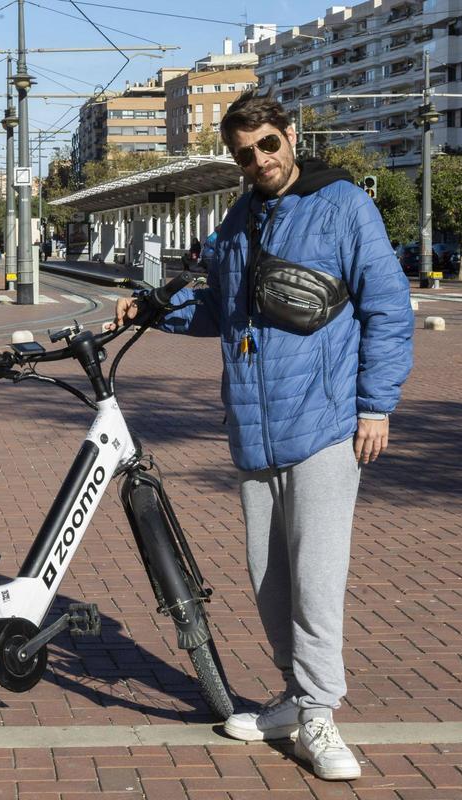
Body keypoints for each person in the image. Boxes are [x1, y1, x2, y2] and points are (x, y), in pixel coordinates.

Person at [115, 90, 413, 782]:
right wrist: (152, 309)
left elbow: (388, 309)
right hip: (253, 430)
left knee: (315, 578)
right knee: (269, 579)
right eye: (245, 155)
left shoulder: (342, 206)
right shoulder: (242, 216)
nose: (260, 162)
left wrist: (375, 407)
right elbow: (220, 307)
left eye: (268, 146)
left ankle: (319, 713)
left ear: (290, 135)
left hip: (327, 425)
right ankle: (290, 695)